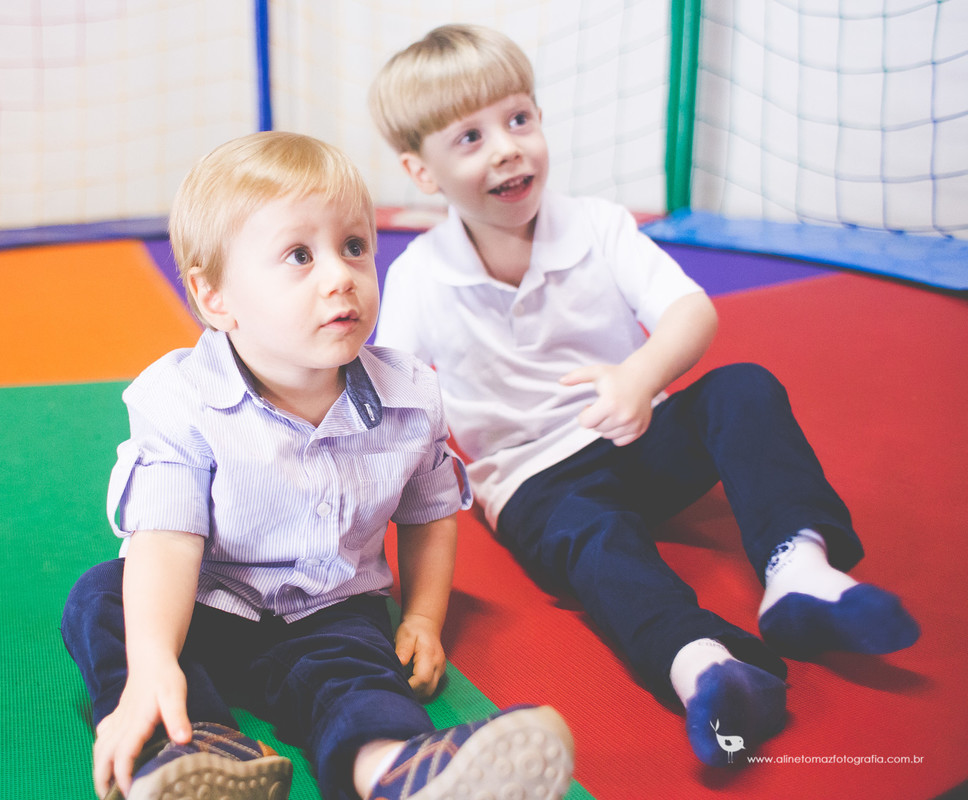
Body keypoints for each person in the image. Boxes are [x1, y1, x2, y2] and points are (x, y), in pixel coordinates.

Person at [368, 24, 919, 767]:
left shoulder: (595, 226)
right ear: (421, 170)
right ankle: (700, 665)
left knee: (743, 389)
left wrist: (640, 377)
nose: (507, 147)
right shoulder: (419, 279)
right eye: (470, 137)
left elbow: (692, 312)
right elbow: (391, 395)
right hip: (534, 482)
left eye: (519, 119)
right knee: (602, 550)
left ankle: (798, 568)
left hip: (636, 430)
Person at [60, 130, 575, 800]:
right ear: (216, 297)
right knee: (104, 598)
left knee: (357, 678)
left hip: (331, 611)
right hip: (206, 602)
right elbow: (165, 538)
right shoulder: (183, 400)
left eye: (355, 247)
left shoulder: (410, 396)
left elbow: (430, 515)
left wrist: (421, 616)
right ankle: (187, 748)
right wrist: (155, 660)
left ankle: (395, 770)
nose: (342, 276)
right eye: (300, 256)